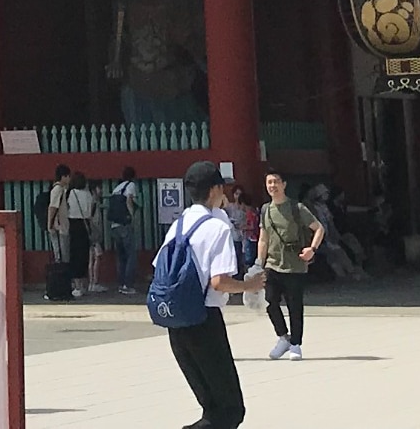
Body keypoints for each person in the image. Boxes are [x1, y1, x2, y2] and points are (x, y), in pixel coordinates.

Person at [161, 161, 266, 429]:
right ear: (215, 189)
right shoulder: (217, 228)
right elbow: (219, 282)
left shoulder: (179, 224)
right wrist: (249, 285)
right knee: (231, 410)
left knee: (212, 408)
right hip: (204, 320)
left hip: (177, 323)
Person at [257, 173, 323, 361]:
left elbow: (319, 228)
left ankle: (296, 344)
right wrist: (258, 264)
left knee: (295, 306)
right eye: (269, 182)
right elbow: (263, 238)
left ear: (284, 184)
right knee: (270, 302)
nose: (272, 186)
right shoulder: (265, 210)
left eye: (276, 182)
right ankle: (283, 337)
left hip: (295, 265)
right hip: (272, 264)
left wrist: (312, 249)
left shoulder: (297, 208)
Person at [46, 166, 92, 299]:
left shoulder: (69, 193)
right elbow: (90, 212)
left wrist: (49, 225)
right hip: (82, 225)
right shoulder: (87, 194)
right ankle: (80, 285)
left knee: (68, 256)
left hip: (70, 225)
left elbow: (54, 208)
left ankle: (66, 286)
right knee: (81, 256)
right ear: (64, 176)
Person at [107, 167, 148, 291]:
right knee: (131, 255)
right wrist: (131, 217)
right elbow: (129, 200)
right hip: (125, 225)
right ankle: (128, 284)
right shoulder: (130, 186)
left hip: (114, 226)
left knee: (121, 256)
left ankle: (121, 284)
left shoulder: (116, 188)